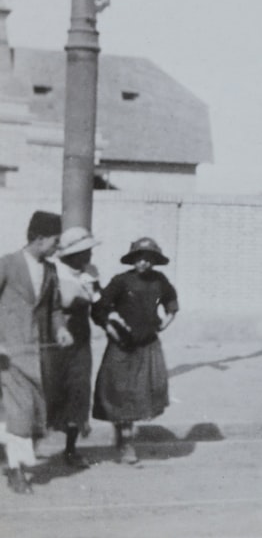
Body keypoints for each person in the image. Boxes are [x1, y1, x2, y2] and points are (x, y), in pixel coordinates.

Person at [91, 237, 179, 465]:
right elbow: (100, 309)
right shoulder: (121, 281)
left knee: (141, 393)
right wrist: (111, 327)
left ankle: (125, 439)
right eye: (140, 258)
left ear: (155, 261)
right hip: (122, 346)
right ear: (132, 259)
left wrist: (164, 322)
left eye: (149, 259)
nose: (144, 263)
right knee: (120, 393)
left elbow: (171, 302)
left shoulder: (160, 281)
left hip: (147, 345)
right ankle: (125, 442)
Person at [0, 210, 63, 494]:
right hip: (9, 354)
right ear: (39, 238)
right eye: (55, 239)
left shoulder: (50, 270)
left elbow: (55, 308)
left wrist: (60, 328)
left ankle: (12, 458)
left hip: (39, 355)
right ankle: (16, 470)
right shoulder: (8, 264)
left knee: (35, 412)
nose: (57, 246)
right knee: (21, 410)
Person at [46, 226, 102, 468]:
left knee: (78, 392)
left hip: (80, 340)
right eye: (83, 252)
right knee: (47, 391)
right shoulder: (53, 272)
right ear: (69, 254)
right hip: (52, 340)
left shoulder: (91, 272)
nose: (88, 257)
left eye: (89, 251)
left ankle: (70, 449)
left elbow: (98, 305)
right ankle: (27, 446)